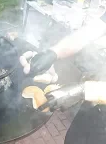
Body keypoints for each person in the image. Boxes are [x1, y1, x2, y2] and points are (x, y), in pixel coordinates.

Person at [22, 11, 106, 144]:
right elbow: (92, 30)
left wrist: (82, 90)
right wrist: (54, 52)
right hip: (94, 107)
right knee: (73, 139)